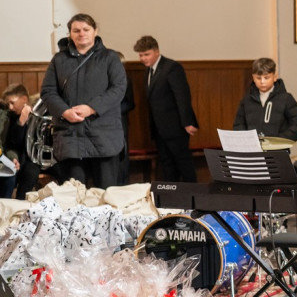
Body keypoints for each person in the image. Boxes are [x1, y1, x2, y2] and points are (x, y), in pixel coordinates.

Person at [40, 14, 127, 189]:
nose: (81, 34)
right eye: (76, 30)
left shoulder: (110, 58)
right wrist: (64, 111)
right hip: (70, 138)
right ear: (70, 34)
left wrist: (91, 108)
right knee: (74, 198)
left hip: (105, 138)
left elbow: (118, 88)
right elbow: (48, 92)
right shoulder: (59, 60)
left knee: (106, 197)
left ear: (96, 31)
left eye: (86, 29)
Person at [133, 35, 199, 182]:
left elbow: (182, 96)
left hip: (176, 127)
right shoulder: (148, 72)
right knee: (167, 165)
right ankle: (173, 199)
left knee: (183, 163)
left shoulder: (172, 67)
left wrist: (188, 122)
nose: (143, 58)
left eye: (146, 54)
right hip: (159, 128)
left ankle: (194, 197)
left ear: (156, 51)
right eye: (140, 55)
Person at [233, 57, 297, 141]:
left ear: (275, 77)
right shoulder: (246, 100)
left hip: (279, 150)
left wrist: (281, 140)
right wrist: (247, 140)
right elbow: (239, 124)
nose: (262, 82)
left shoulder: (286, 99)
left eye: (266, 77)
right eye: (258, 78)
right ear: (253, 78)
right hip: (253, 151)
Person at [115, 51, 135, 186]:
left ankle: (123, 185)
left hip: (121, 123)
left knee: (122, 158)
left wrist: (114, 111)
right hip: (105, 125)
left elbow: (130, 103)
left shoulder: (126, 79)